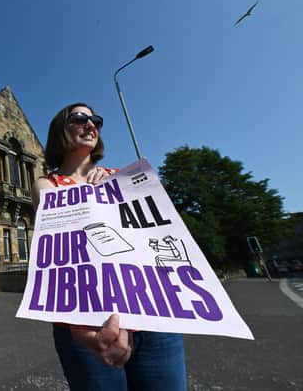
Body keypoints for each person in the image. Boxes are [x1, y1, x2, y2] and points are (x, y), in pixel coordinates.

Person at [32, 102, 187, 390]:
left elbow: (153, 234)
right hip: (91, 322)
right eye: (80, 118)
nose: (90, 125)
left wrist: (113, 187)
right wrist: (80, 328)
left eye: (96, 121)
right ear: (59, 130)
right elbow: (61, 252)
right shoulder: (48, 184)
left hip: (153, 317)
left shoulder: (122, 175)